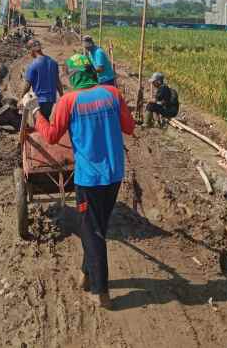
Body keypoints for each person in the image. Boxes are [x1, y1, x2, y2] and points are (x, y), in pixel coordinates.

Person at [31, 53, 136, 308]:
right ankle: (86, 274)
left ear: (73, 76)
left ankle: (102, 290)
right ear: (92, 73)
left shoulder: (69, 101)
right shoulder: (112, 94)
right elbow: (130, 127)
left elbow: (53, 136)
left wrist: (38, 115)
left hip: (88, 179)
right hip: (113, 176)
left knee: (93, 232)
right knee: (97, 224)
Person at [21, 40, 63, 119]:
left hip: (38, 100)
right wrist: (62, 95)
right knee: (46, 120)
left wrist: (21, 97)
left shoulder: (33, 65)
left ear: (32, 50)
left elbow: (27, 84)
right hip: (50, 100)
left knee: (39, 123)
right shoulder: (53, 62)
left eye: (29, 51)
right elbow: (57, 82)